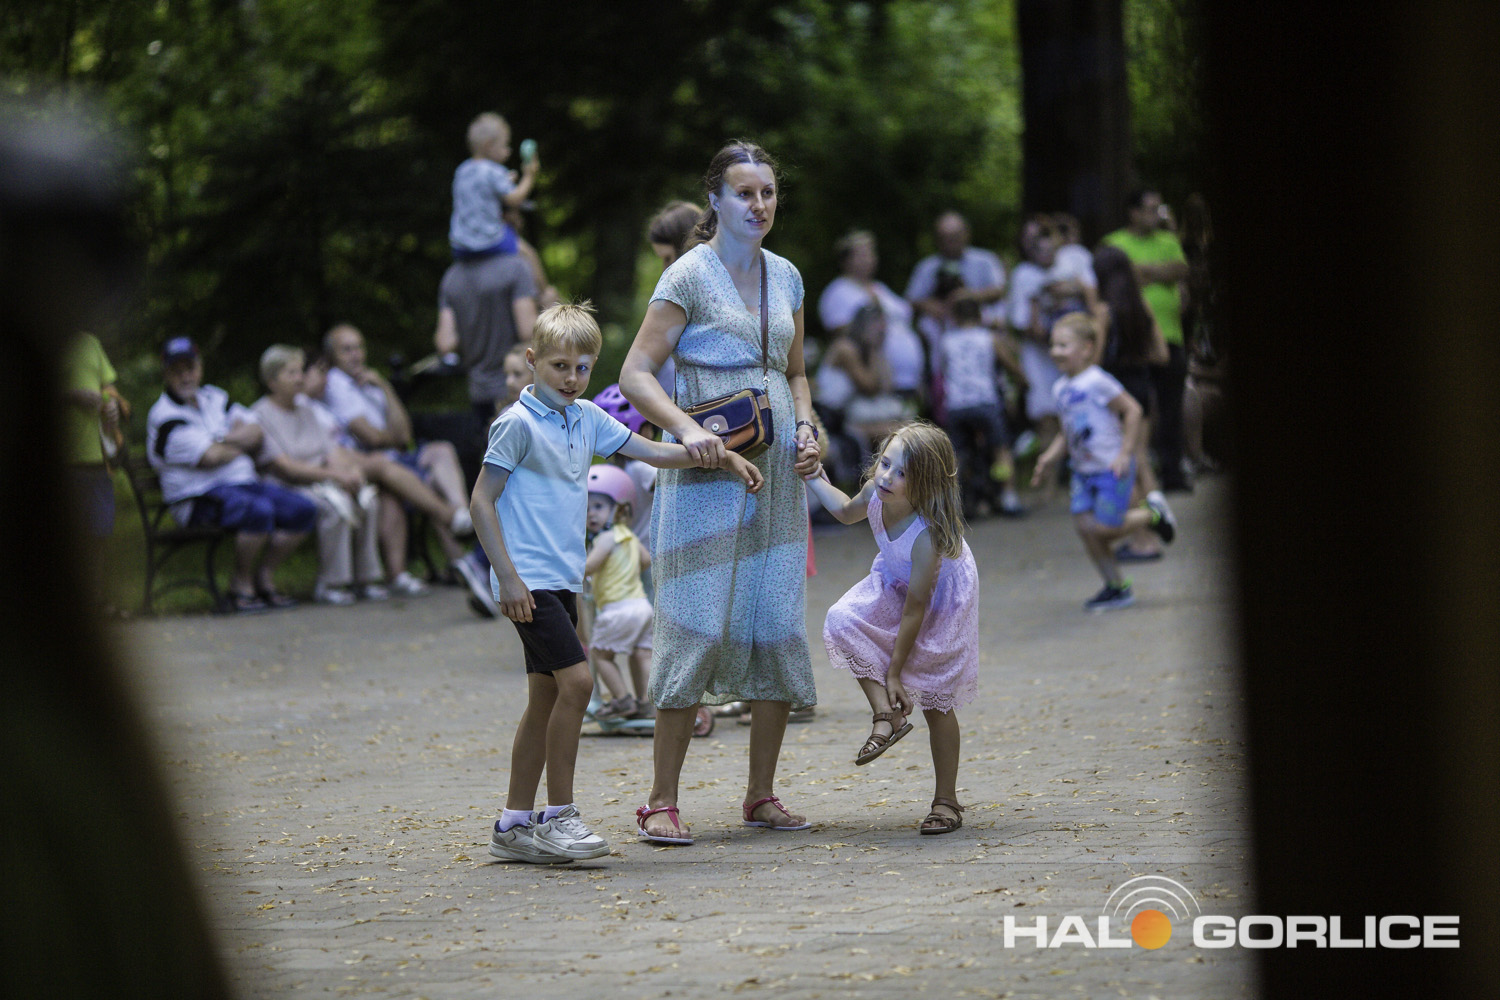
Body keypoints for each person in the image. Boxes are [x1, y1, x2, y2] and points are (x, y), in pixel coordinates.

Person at [475, 302, 762, 864]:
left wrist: (722, 456)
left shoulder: (584, 417)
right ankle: (558, 817)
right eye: (559, 366)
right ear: (532, 360)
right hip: (527, 579)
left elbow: (651, 451)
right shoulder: (515, 423)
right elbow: (481, 501)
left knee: (545, 698)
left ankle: (512, 824)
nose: (571, 378)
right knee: (579, 684)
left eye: (582, 368)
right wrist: (507, 578)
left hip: (562, 578)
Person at [618, 140, 823, 845]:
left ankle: (761, 794)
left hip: (777, 479)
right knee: (694, 622)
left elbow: (795, 373)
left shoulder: (787, 275)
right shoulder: (689, 274)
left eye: (768, 192)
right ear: (714, 199)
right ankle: (660, 801)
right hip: (706, 475)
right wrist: (683, 430)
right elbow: (635, 372)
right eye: (744, 193)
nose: (759, 205)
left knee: (775, 622)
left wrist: (809, 426)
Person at [805, 421, 979, 835]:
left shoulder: (927, 536)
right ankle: (886, 714)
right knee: (843, 619)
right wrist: (813, 477)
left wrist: (895, 672)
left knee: (936, 701)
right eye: (885, 463)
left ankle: (946, 800)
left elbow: (916, 610)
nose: (886, 477)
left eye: (902, 473)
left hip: (941, 601)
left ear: (926, 484)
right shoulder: (875, 493)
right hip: (898, 579)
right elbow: (844, 511)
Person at [145, 337, 315, 613]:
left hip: (242, 484)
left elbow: (257, 431)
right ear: (166, 374)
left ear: (200, 368)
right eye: (177, 370)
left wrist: (219, 439)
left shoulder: (215, 397)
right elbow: (210, 457)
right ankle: (240, 584)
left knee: (303, 510)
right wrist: (237, 442)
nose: (185, 376)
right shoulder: (164, 417)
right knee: (258, 511)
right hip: (197, 497)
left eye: (190, 368)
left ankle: (264, 576)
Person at [1029, 314, 1176, 611]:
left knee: (1106, 530)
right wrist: (1048, 458)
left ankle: (1152, 515)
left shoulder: (1097, 380)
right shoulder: (1060, 388)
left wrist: (1125, 453)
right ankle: (1116, 587)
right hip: (1082, 472)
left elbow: (1133, 410)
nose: (1055, 351)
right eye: (1053, 345)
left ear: (1086, 348)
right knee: (1086, 529)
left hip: (1111, 468)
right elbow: (1067, 432)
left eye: (1063, 345)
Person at [320, 323, 475, 596]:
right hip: (365, 461)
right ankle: (454, 525)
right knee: (397, 488)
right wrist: (390, 438)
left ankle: (462, 531)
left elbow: (404, 434)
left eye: (359, 347)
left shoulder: (369, 381)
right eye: (347, 350)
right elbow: (371, 437)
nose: (356, 355)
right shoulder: (336, 384)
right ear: (333, 356)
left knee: (441, 450)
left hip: (392, 457)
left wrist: (385, 387)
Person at [250, 345, 386, 606]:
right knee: (335, 507)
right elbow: (286, 468)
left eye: (300, 372)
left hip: (323, 480)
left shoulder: (307, 410)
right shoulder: (260, 414)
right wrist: (335, 476)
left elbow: (331, 451)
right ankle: (331, 583)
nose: (299, 378)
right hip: (288, 486)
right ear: (272, 381)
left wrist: (351, 473)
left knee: (368, 500)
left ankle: (366, 578)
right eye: (291, 373)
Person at [1103, 188, 1192, 492]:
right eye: (1151, 209)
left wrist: (1143, 272)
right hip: (1132, 343)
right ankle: (1134, 477)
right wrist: (1161, 272)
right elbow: (1118, 277)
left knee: (1171, 407)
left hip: (1171, 335)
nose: (1157, 215)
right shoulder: (1115, 242)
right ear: (1134, 212)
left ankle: (1172, 473)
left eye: (1158, 208)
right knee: (1136, 409)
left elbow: (1181, 269)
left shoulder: (1168, 240)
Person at [1092, 245, 1174, 561]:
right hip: (1141, 389)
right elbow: (1162, 355)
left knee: (1126, 466)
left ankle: (1144, 540)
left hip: (1115, 397)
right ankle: (1158, 521)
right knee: (1141, 461)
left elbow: (1094, 363)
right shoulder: (1142, 306)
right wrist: (1135, 357)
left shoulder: (1103, 312)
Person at [939, 297, 1023, 518]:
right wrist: (1023, 380)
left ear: (955, 317)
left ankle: (955, 502)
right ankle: (1008, 496)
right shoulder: (989, 338)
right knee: (1000, 449)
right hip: (985, 401)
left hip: (957, 404)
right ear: (980, 315)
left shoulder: (946, 341)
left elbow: (943, 370)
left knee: (957, 454)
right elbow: (1010, 364)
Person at [818, 229, 926, 400]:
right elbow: (843, 336)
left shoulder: (880, 288)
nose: (868, 259)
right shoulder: (838, 291)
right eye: (861, 254)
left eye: (871, 253)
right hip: (874, 382)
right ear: (846, 260)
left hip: (907, 379)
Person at [583, 464, 654, 721]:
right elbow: (645, 561)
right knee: (642, 654)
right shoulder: (630, 537)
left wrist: (573, 569)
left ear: (619, 509)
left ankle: (622, 700)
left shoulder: (604, 539)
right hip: (642, 606)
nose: (591, 514)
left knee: (600, 655)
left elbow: (589, 566)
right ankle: (647, 703)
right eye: (586, 508)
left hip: (617, 609)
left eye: (599, 506)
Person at [905, 211, 1007, 361]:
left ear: (966, 234)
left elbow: (999, 290)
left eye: (954, 237)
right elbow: (911, 300)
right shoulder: (927, 267)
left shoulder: (985, 260)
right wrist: (932, 306)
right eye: (944, 238)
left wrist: (966, 297)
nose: (949, 242)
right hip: (941, 331)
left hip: (980, 325)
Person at [448, 112, 538, 262]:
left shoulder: (462, 171)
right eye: (504, 145)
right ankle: (542, 280)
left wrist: (504, 181)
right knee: (530, 255)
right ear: (489, 145)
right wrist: (529, 175)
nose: (508, 150)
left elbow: (479, 193)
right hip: (488, 242)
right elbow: (515, 199)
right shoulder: (494, 171)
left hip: (460, 245)